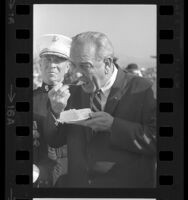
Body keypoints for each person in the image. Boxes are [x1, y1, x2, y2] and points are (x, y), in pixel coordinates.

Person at [44, 31, 156, 187]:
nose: (76, 74)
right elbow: (55, 141)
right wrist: (55, 112)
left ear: (108, 64)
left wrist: (113, 126)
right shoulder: (71, 93)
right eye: (73, 65)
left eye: (84, 66)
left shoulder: (143, 90)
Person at [33, 34, 72, 187]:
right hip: (38, 177)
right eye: (47, 60)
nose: (52, 65)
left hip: (70, 176)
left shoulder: (78, 97)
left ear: (68, 67)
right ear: (40, 65)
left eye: (58, 60)